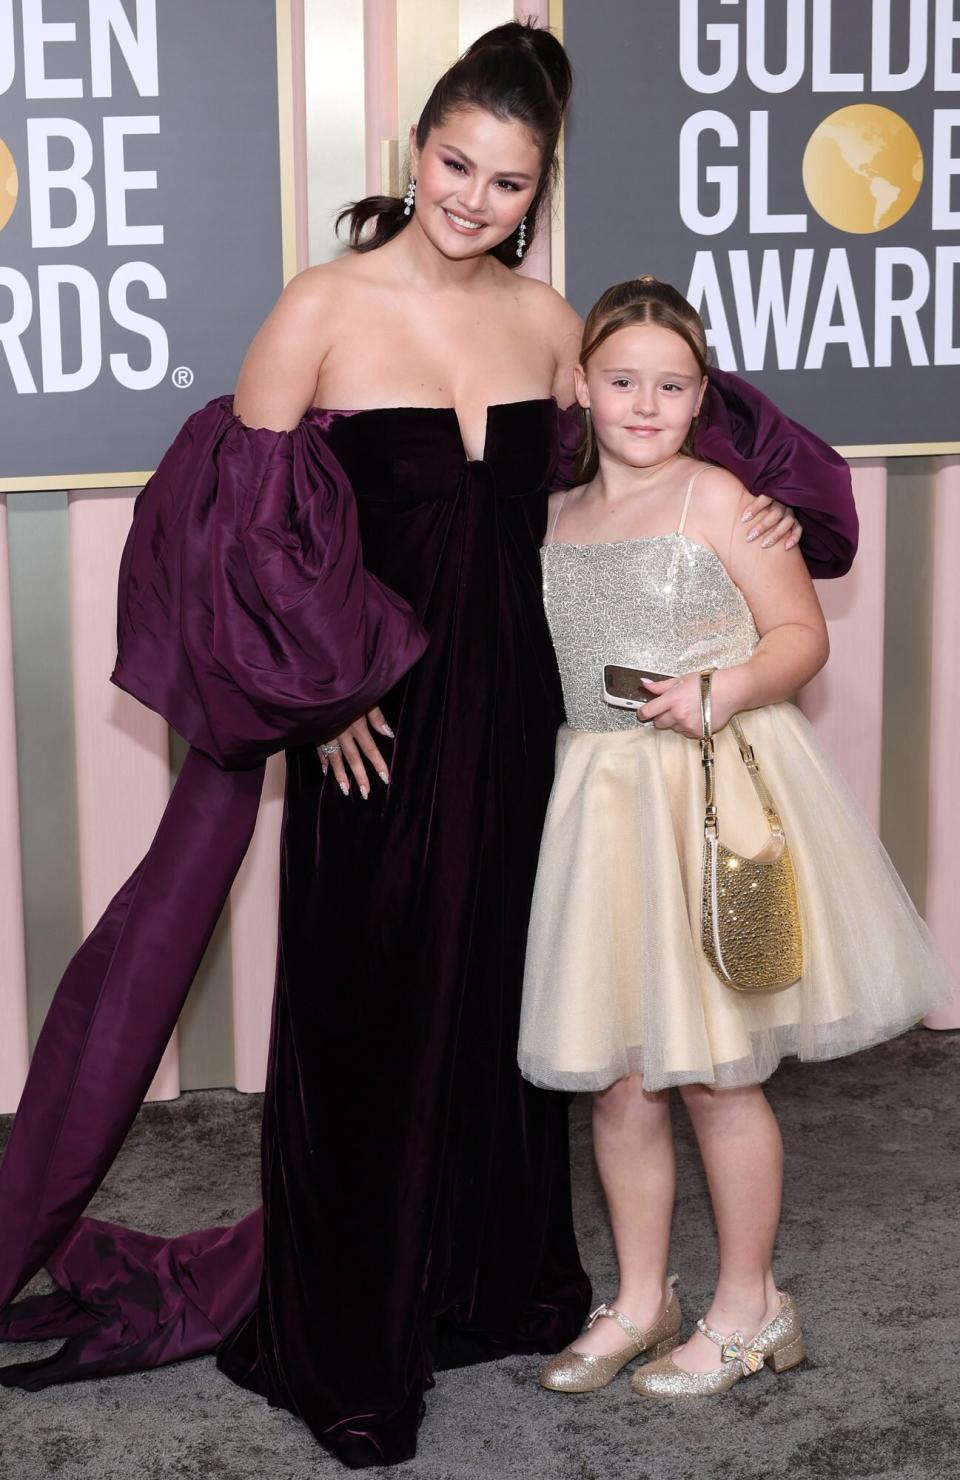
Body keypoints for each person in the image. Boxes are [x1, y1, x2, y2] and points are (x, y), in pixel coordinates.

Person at [0, 28, 856, 1469]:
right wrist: (325, 698)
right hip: (376, 734)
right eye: (456, 164)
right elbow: (240, 535)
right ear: (416, 153)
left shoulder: (547, 324)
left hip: (537, 726)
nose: (474, 197)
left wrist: (760, 509)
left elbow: (660, 439)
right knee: (368, 1019)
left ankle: (492, 1283)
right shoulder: (319, 308)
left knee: (512, 1018)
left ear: (538, 191)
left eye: (508, 181)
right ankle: (348, 1327)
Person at [519, 277, 956, 1400]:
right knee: (619, 1077)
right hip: (604, 806)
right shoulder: (557, 512)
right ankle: (641, 1296)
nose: (645, 404)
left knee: (715, 1070)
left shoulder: (719, 500)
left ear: (701, 395)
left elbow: (801, 636)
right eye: (623, 381)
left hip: (703, 795)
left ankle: (752, 1306)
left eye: (672, 385)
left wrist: (722, 685)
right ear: (581, 387)